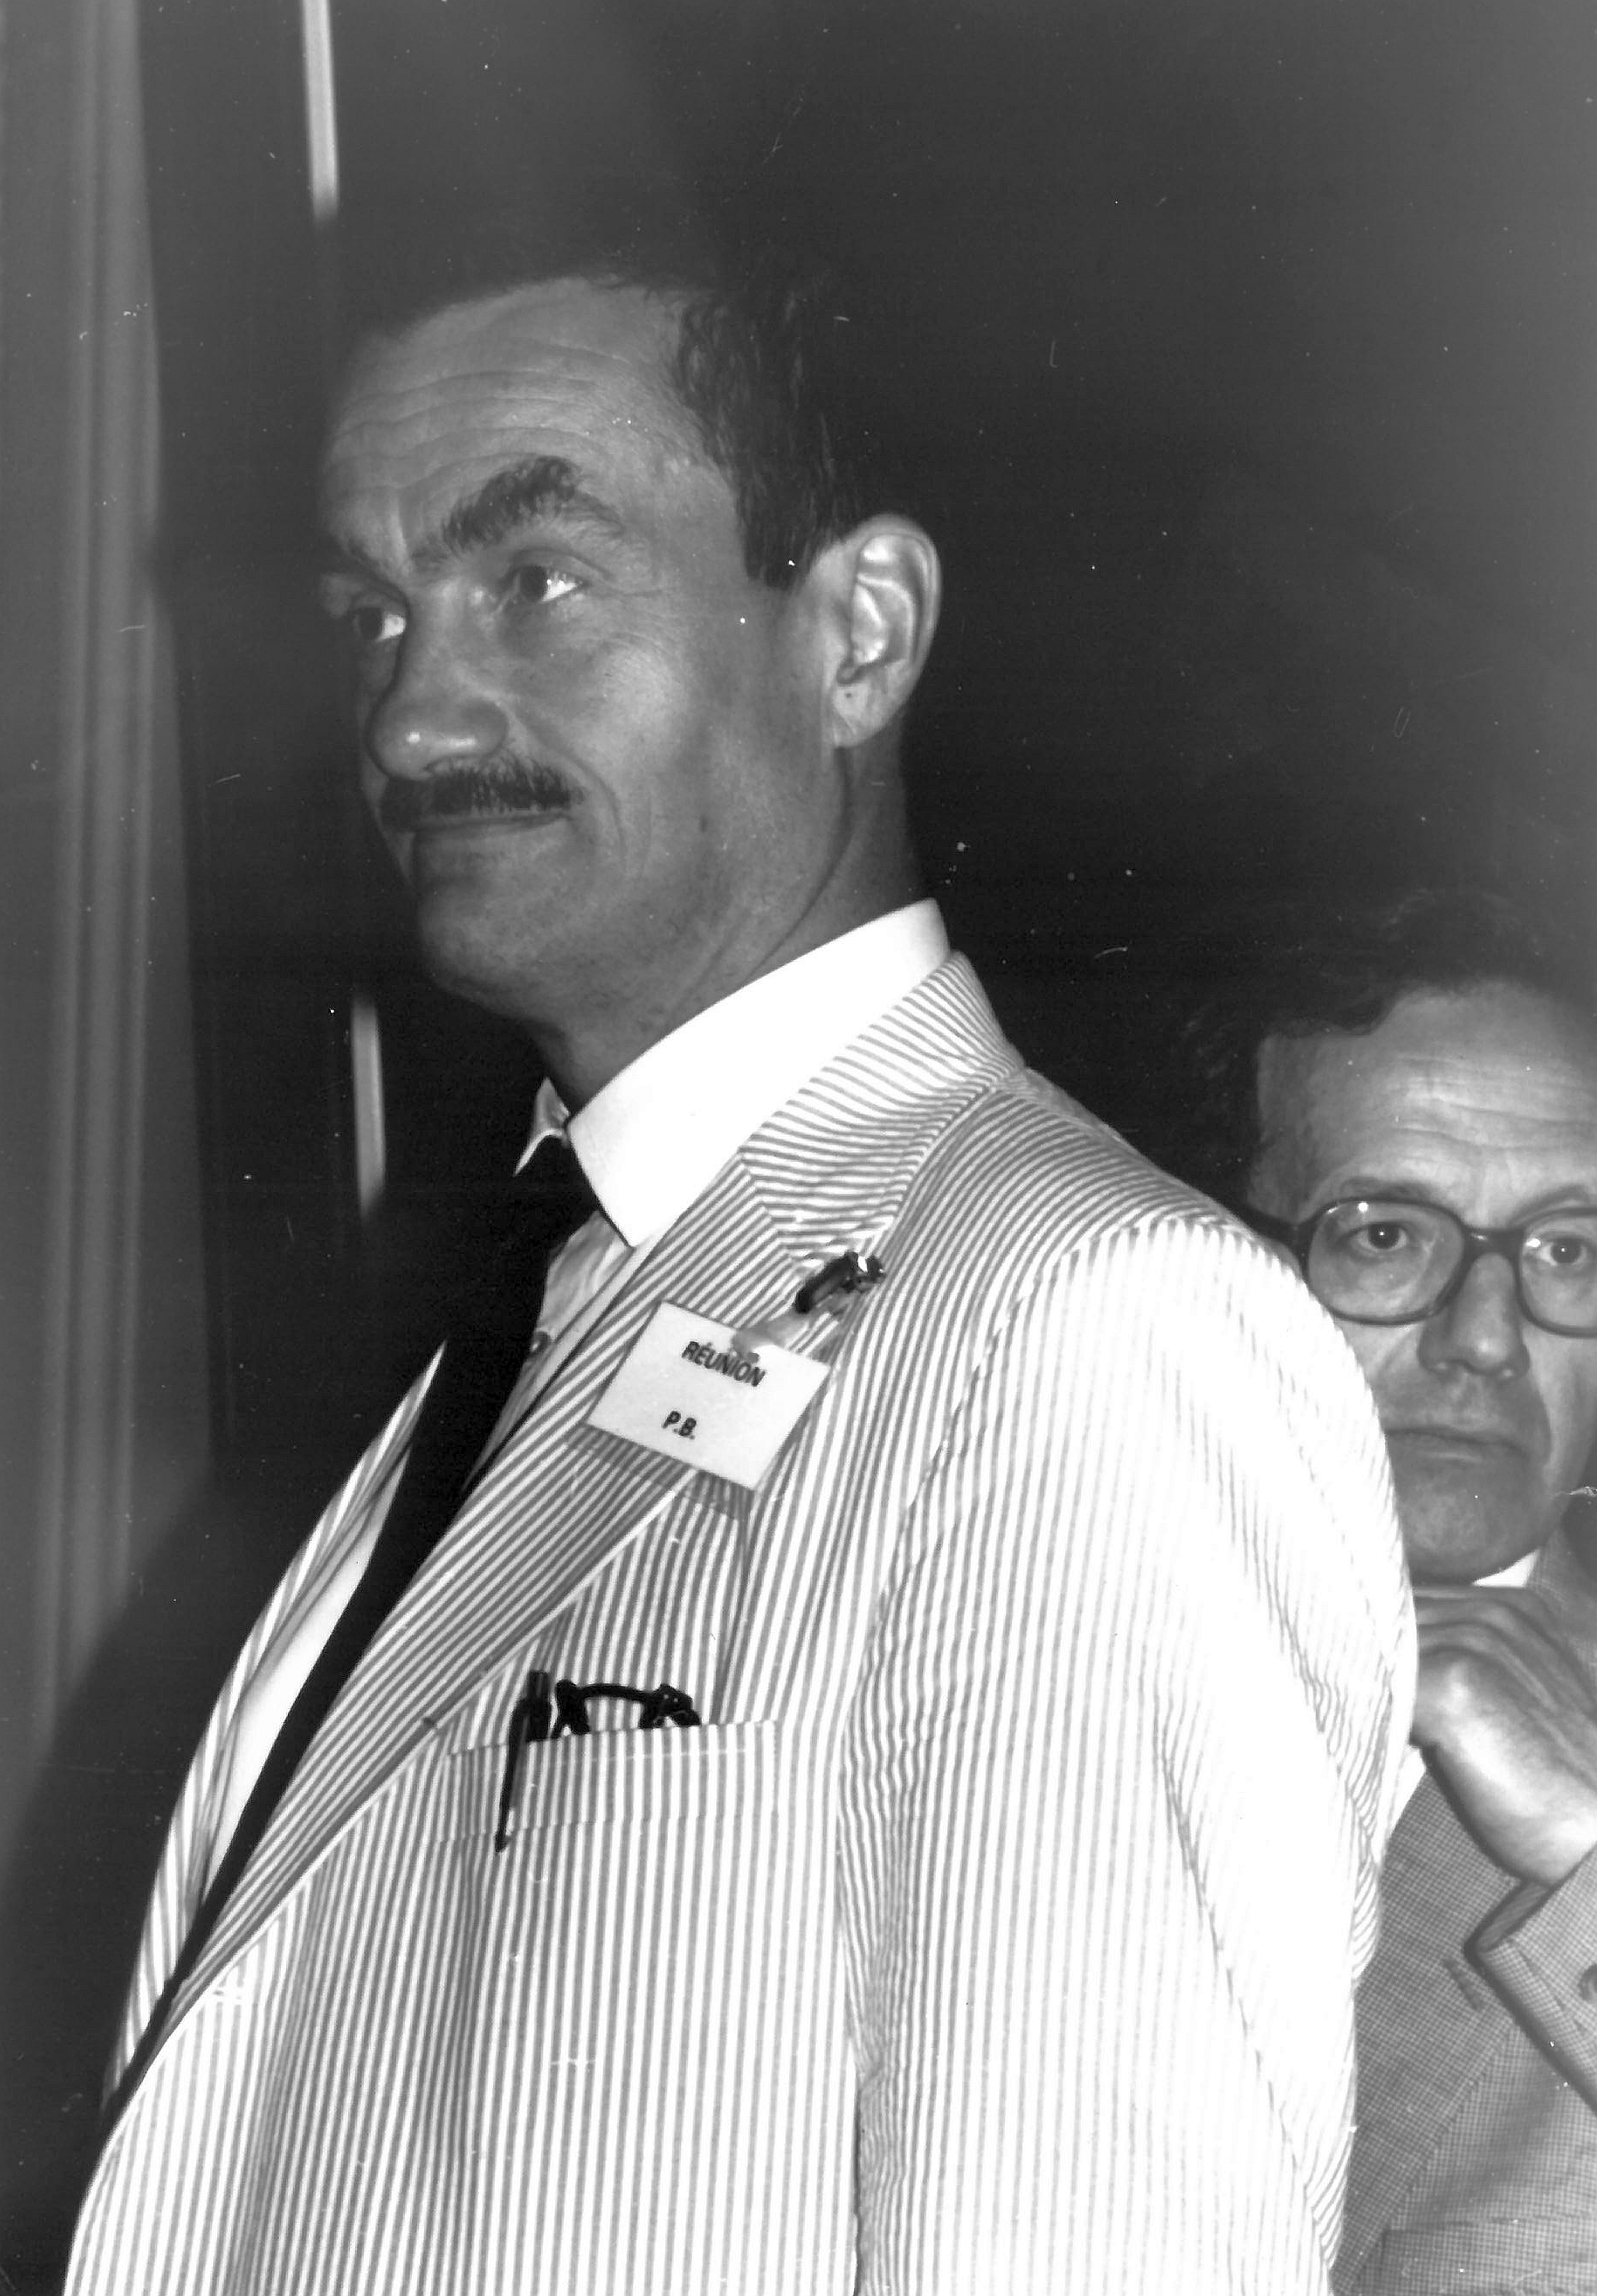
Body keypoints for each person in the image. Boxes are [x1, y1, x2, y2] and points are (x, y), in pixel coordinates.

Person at [65, 230, 1410, 2295]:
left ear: (860, 634)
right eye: (371, 613)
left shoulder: (1080, 1326)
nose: (411, 721)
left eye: (538, 580)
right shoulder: (558, 1298)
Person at [1140, 889, 1597, 2296]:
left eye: (1569, 1251)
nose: (1484, 1340)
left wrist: (1586, 1849)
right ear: (1211, 1254)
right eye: (1384, 1236)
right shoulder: (1019, 1637)